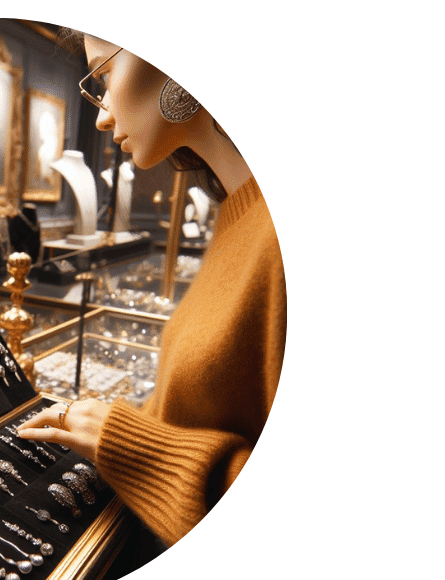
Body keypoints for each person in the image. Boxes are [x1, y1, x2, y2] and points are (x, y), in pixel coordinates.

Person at [16, 31, 287, 547]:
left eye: (104, 75)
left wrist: (126, 442)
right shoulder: (243, 213)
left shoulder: (276, 241)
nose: (99, 114)